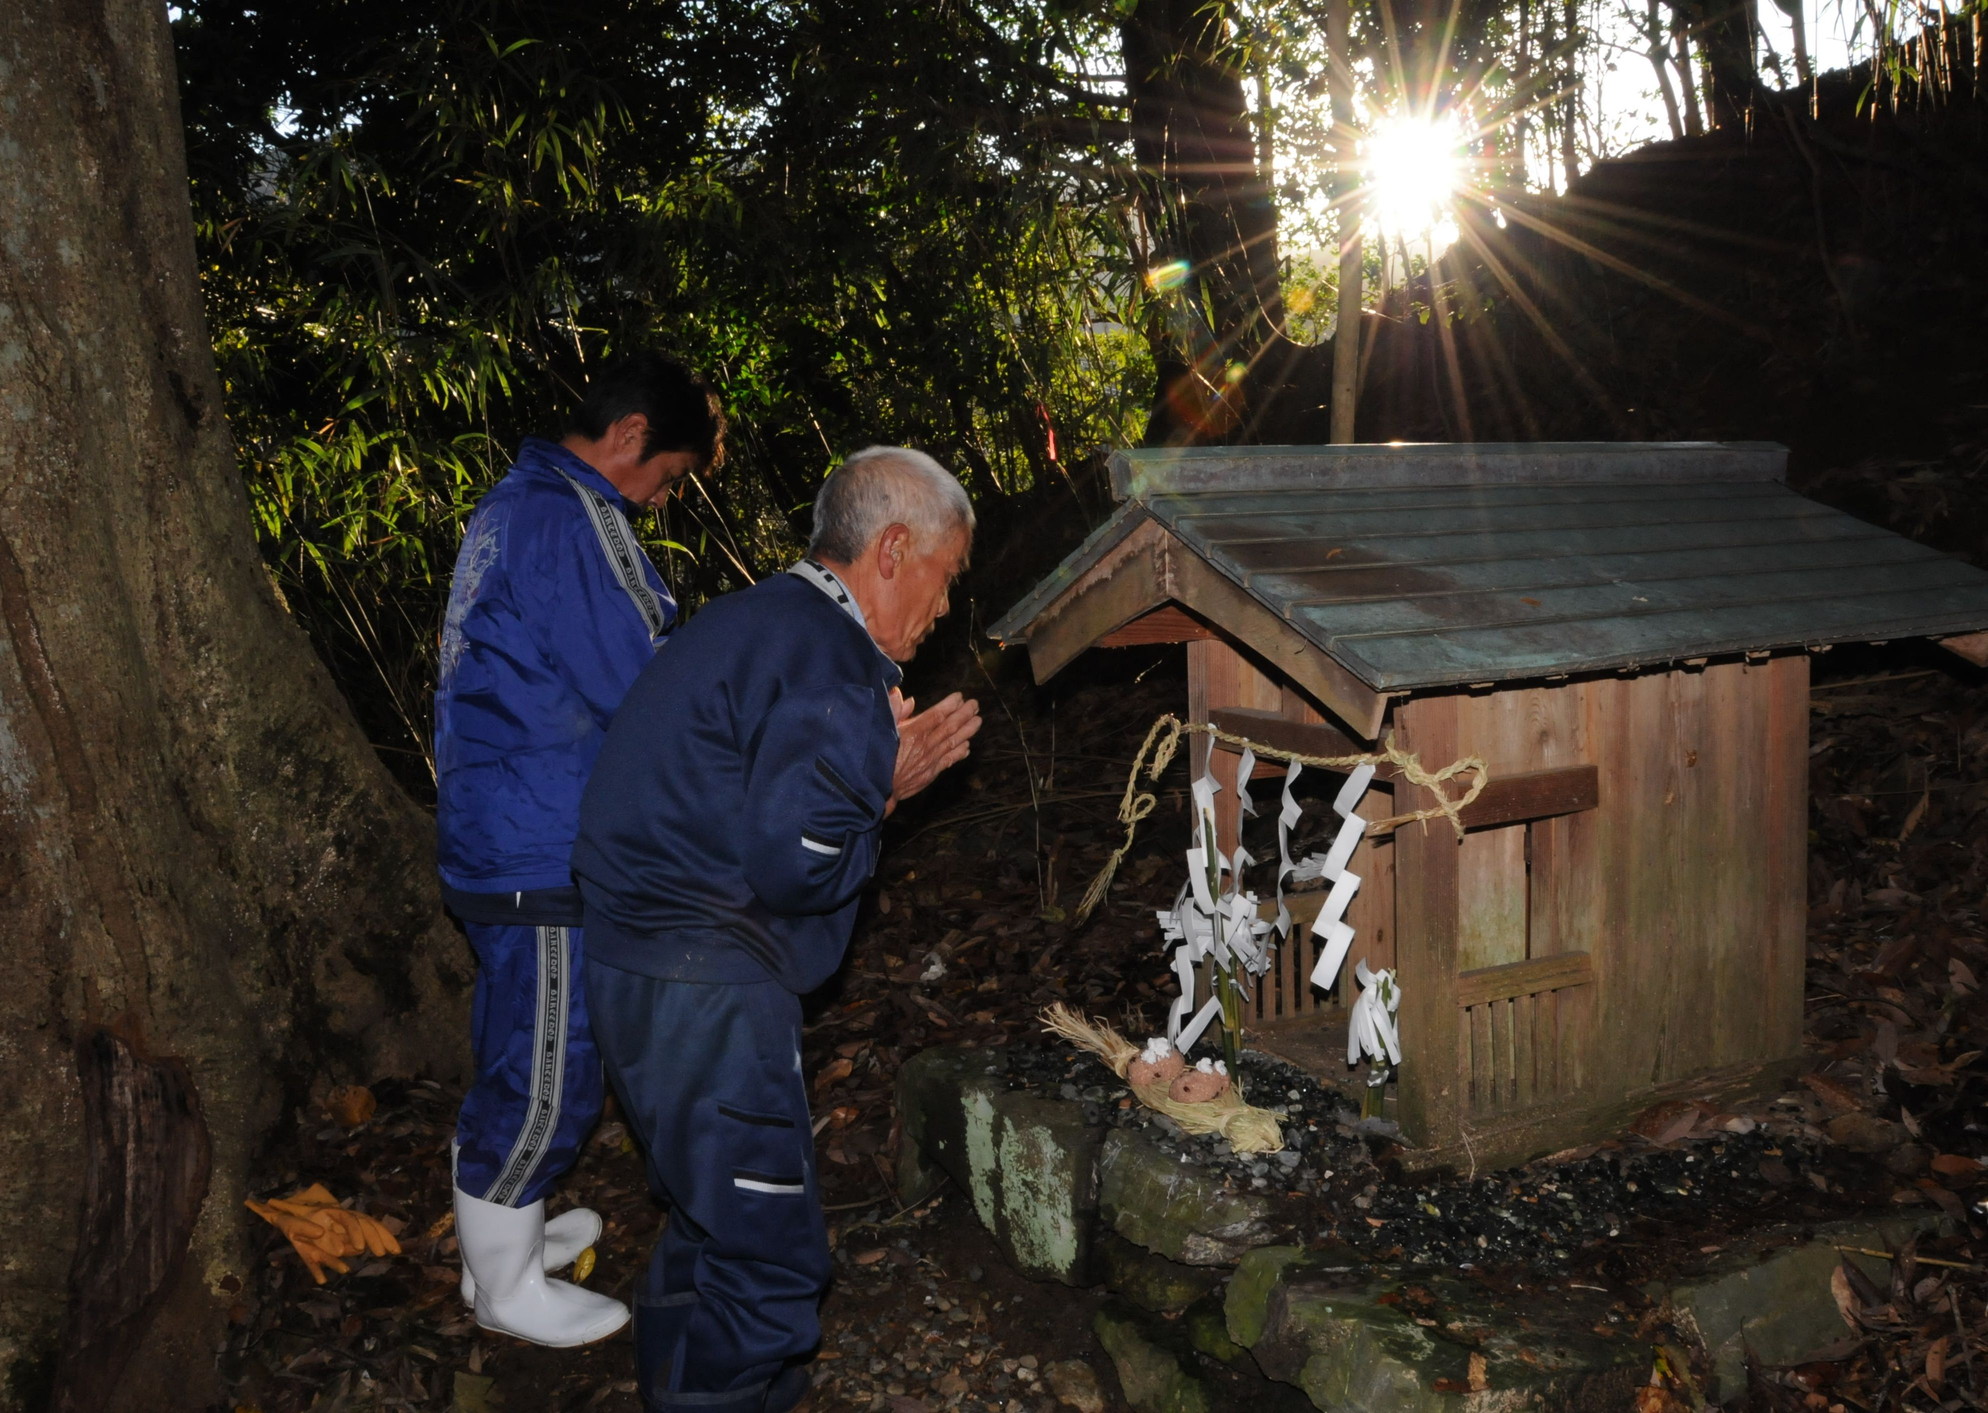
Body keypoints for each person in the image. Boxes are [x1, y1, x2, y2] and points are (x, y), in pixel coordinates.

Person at [573, 447, 982, 1412]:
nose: (945, 604)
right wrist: (880, 793)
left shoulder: (753, 620)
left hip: (635, 966)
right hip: (703, 987)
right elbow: (797, 863)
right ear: (893, 549)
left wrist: (866, 790)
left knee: (708, 1216)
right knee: (770, 1260)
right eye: (946, 574)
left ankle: (681, 1384)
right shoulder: (830, 659)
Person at [433, 352, 724, 1347]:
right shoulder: (575, 516)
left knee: (517, 1046)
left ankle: (498, 1244)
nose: (662, 497)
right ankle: (504, 1287)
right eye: (669, 475)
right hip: (541, 846)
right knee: (548, 1074)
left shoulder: (511, 507)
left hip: (495, 830)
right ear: (631, 436)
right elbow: (648, 676)